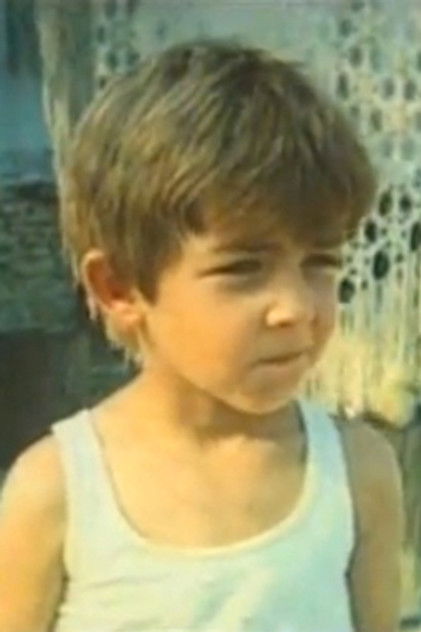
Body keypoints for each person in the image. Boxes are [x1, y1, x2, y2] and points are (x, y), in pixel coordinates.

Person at [0, 39, 403, 632]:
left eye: (320, 263)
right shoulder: (58, 492)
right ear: (119, 286)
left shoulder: (356, 473)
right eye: (243, 269)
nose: (295, 309)